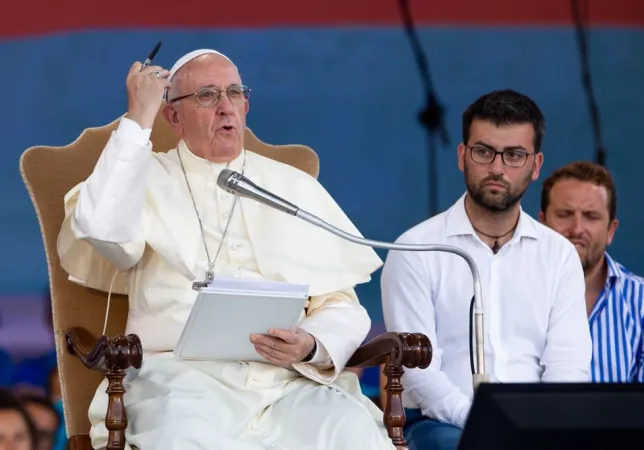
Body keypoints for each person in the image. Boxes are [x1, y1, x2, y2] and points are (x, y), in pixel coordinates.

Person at [56, 49, 392, 450]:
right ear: (173, 117)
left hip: (287, 383)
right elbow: (103, 231)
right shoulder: (139, 180)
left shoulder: (291, 186)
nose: (225, 107)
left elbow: (341, 303)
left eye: (234, 93)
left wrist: (312, 343)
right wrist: (138, 117)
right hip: (181, 383)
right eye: (206, 96)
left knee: (350, 433)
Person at [380, 89, 592, 450]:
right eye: (484, 152)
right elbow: (419, 375)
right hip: (442, 424)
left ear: (536, 165)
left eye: (514, 155)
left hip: (537, 428)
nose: (497, 168)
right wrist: (488, 424)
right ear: (463, 156)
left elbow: (568, 367)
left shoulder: (558, 255)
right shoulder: (415, 249)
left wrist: (542, 426)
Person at [539, 161, 644, 382]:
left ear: (610, 231)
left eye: (591, 216)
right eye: (564, 214)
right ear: (541, 224)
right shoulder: (511, 295)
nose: (577, 228)